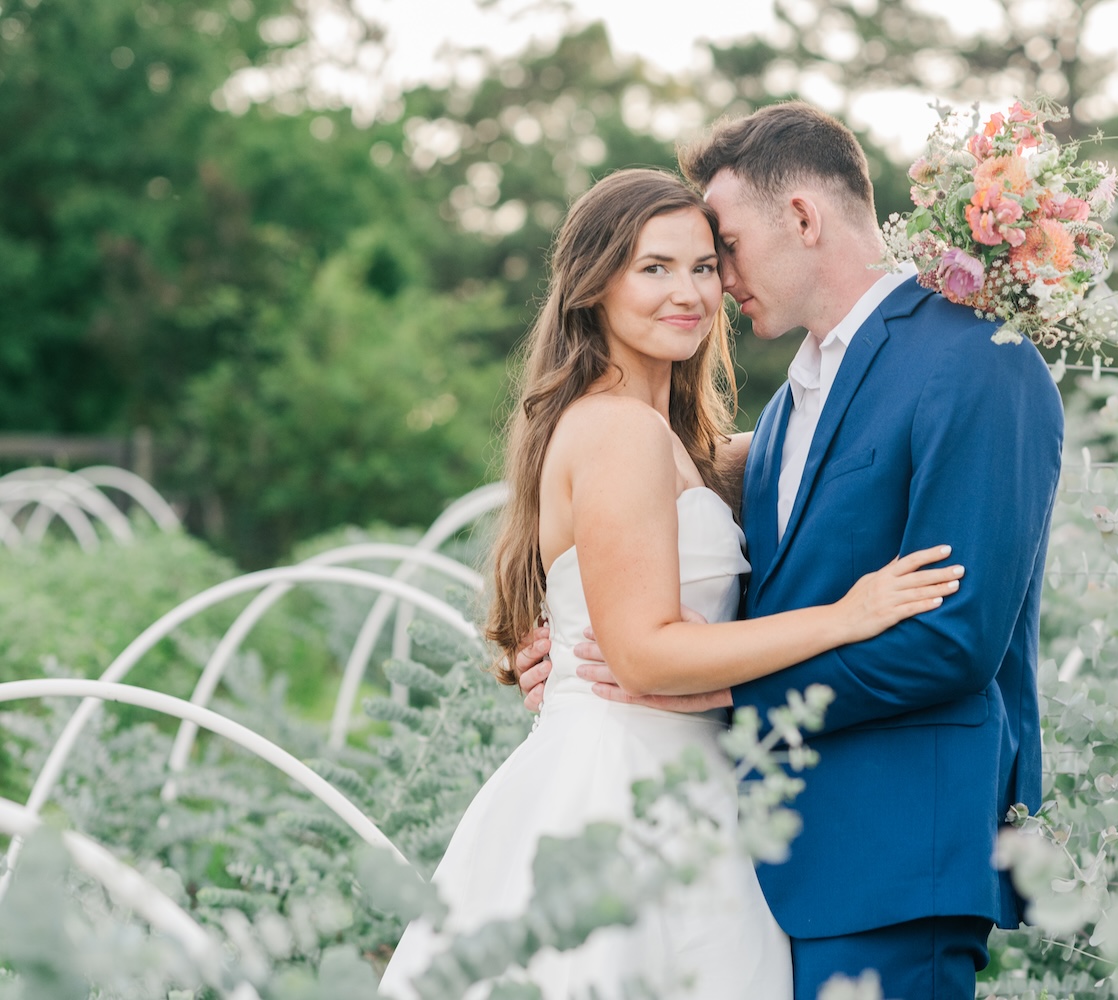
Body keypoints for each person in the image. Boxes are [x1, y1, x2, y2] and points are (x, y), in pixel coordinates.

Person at [516, 104, 1065, 1000]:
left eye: (721, 248)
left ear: (803, 218)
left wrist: (710, 688)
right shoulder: (779, 416)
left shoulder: (976, 362)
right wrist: (567, 650)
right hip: (759, 858)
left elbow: (952, 642)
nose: (714, 282)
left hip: (893, 857)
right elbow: (661, 554)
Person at [377, 167, 964, 1000]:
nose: (689, 292)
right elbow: (647, 655)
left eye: (703, 266)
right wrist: (848, 616)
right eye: (653, 267)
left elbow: (807, 446)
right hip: (624, 788)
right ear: (594, 285)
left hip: (681, 781)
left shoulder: (681, 446)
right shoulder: (617, 432)